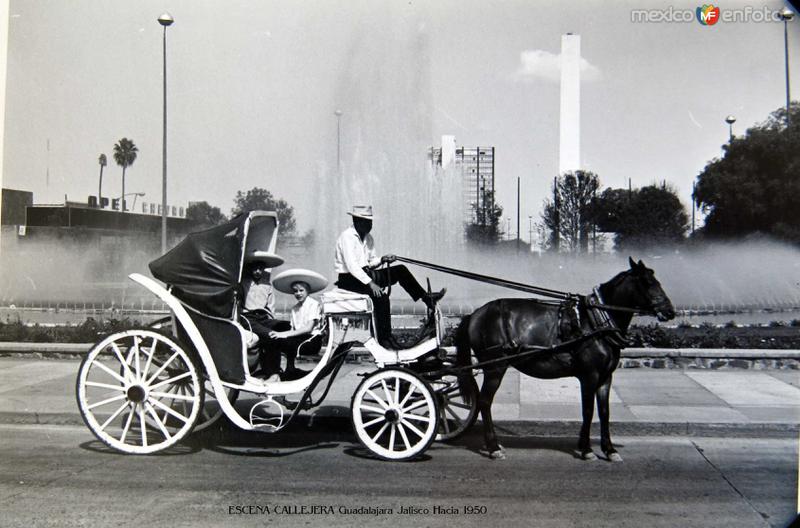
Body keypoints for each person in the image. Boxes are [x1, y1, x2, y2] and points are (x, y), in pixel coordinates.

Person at [334, 205, 445, 347]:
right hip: (349, 279)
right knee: (381, 297)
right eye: (367, 222)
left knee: (400, 270)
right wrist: (371, 284)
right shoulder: (347, 237)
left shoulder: (368, 238)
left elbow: (370, 262)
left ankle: (425, 298)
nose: (370, 225)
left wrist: (382, 259)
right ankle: (384, 338)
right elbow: (352, 267)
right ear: (357, 221)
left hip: (366, 275)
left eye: (371, 222)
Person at [268, 268, 328, 381]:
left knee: (281, 340)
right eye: (295, 291)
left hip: (312, 341)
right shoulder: (295, 309)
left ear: (307, 291)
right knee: (274, 339)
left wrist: (283, 334)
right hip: (300, 338)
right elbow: (293, 329)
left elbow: (308, 328)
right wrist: (281, 334)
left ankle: (275, 374)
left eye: (301, 290)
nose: (298, 293)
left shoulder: (314, 305)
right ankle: (287, 369)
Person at [239, 251, 289, 381]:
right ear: (250, 269)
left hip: (264, 318)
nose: (257, 272)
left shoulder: (267, 285)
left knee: (284, 327)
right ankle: (273, 373)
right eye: (255, 269)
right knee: (271, 335)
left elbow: (270, 307)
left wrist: (274, 321)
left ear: (263, 269)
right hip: (248, 317)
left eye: (260, 269)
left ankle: (288, 368)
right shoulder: (243, 283)